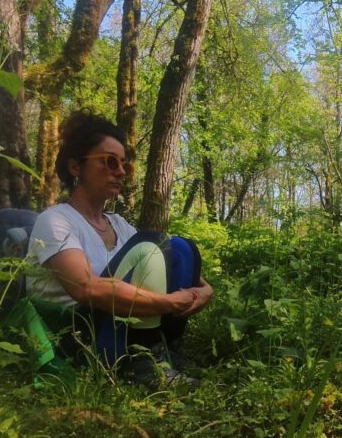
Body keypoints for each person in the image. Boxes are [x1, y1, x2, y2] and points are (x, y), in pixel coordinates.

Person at [23, 110, 213, 384]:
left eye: (125, 165)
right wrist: (168, 303)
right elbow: (86, 288)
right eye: (109, 162)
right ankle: (142, 365)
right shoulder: (55, 220)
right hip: (78, 336)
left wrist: (205, 290)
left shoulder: (119, 225)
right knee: (152, 244)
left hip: (116, 326)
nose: (121, 172)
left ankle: (166, 351)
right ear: (76, 167)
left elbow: (167, 259)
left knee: (181, 249)